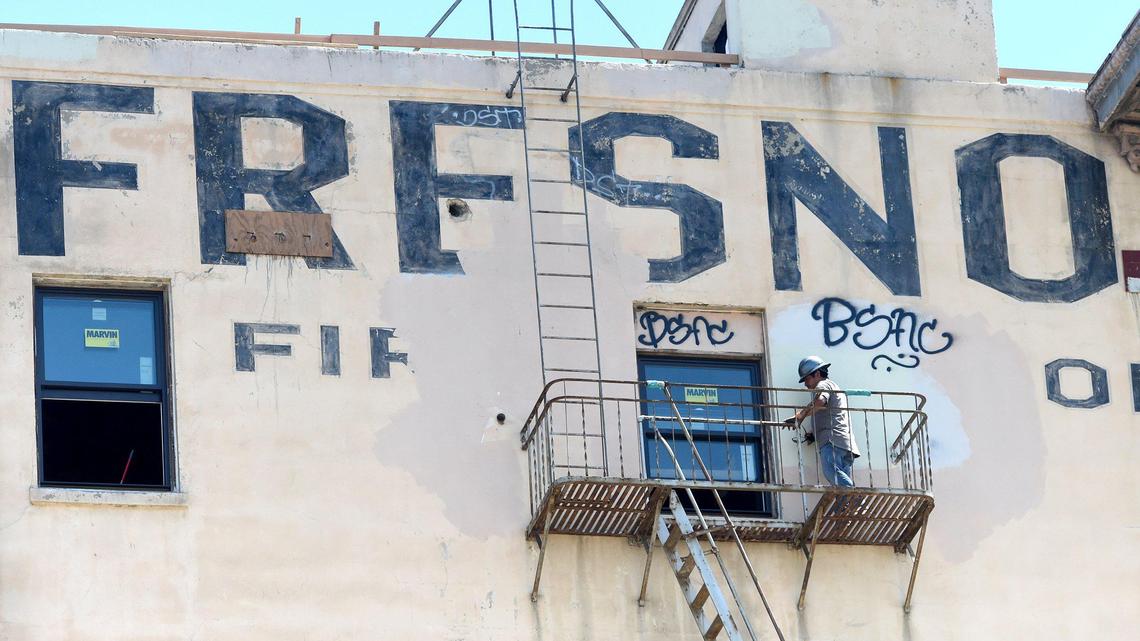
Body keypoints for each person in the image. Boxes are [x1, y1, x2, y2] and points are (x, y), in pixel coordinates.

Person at [783, 356, 861, 490]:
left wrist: (799, 416)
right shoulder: (834, 386)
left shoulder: (823, 384)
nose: (805, 384)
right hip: (844, 443)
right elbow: (831, 414)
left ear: (817, 374)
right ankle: (851, 508)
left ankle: (857, 499)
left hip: (832, 442)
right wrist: (814, 435)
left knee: (832, 474)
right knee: (841, 488)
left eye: (807, 378)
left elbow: (820, 402)